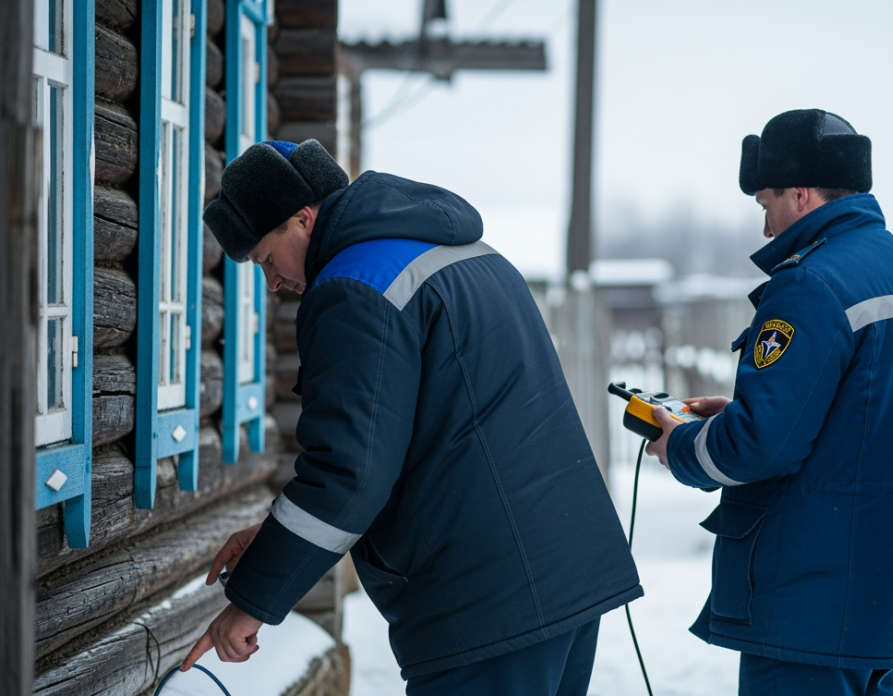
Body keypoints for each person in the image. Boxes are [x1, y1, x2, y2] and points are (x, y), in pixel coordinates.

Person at [181, 139, 643, 696]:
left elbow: (348, 474)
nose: (273, 283)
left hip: (486, 607)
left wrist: (250, 602)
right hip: (561, 576)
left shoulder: (353, 290)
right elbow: (427, 437)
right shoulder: (467, 253)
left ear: (302, 219)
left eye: (266, 260)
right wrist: (276, 538)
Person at [644, 109, 893, 696]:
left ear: (802, 194)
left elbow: (761, 445)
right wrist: (736, 415)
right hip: (884, 595)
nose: (765, 228)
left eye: (766, 204)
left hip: (810, 599)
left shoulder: (809, 285)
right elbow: (857, 428)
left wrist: (680, 443)